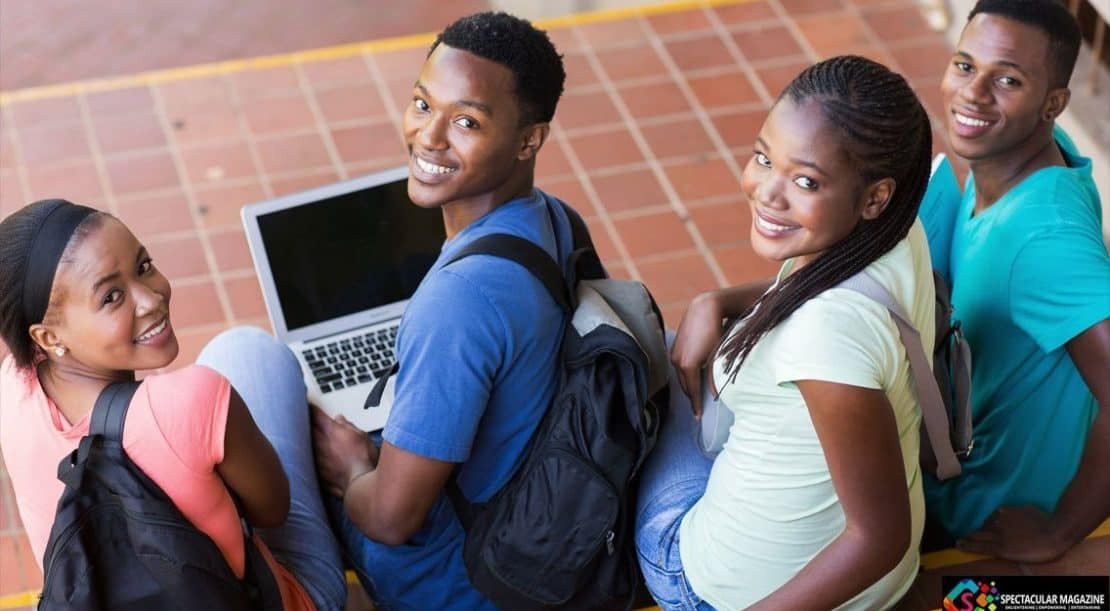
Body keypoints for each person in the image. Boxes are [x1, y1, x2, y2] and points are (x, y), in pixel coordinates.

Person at [642, 56, 935, 610]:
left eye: (805, 181)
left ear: (875, 197)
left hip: (728, 590)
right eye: (762, 158)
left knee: (645, 359)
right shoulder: (899, 229)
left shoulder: (821, 343)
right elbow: (830, 291)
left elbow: (879, 538)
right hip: (879, 583)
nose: (767, 193)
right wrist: (720, 299)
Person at [310, 12, 578, 610]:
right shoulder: (552, 218)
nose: (429, 138)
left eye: (467, 121)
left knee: (281, 421)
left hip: (457, 579)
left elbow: (390, 519)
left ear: (529, 139)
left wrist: (354, 468)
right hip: (527, 509)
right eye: (422, 104)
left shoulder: (459, 302)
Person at [0, 200, 347, 611]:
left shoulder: (12, 387)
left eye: (143, 266)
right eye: (111, 296)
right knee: (248, 350)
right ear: (47, 338)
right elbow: (273, 510)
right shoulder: (192, 400)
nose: (149, 299)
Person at [918, 0, 1110, 562]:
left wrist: (1058, 535)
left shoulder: (1045, 239)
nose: (973, 94)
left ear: (1053, 103)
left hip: (992, 525)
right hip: (959, 466)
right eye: (964, 65)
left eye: (1007, 80)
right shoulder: (1023, 162)